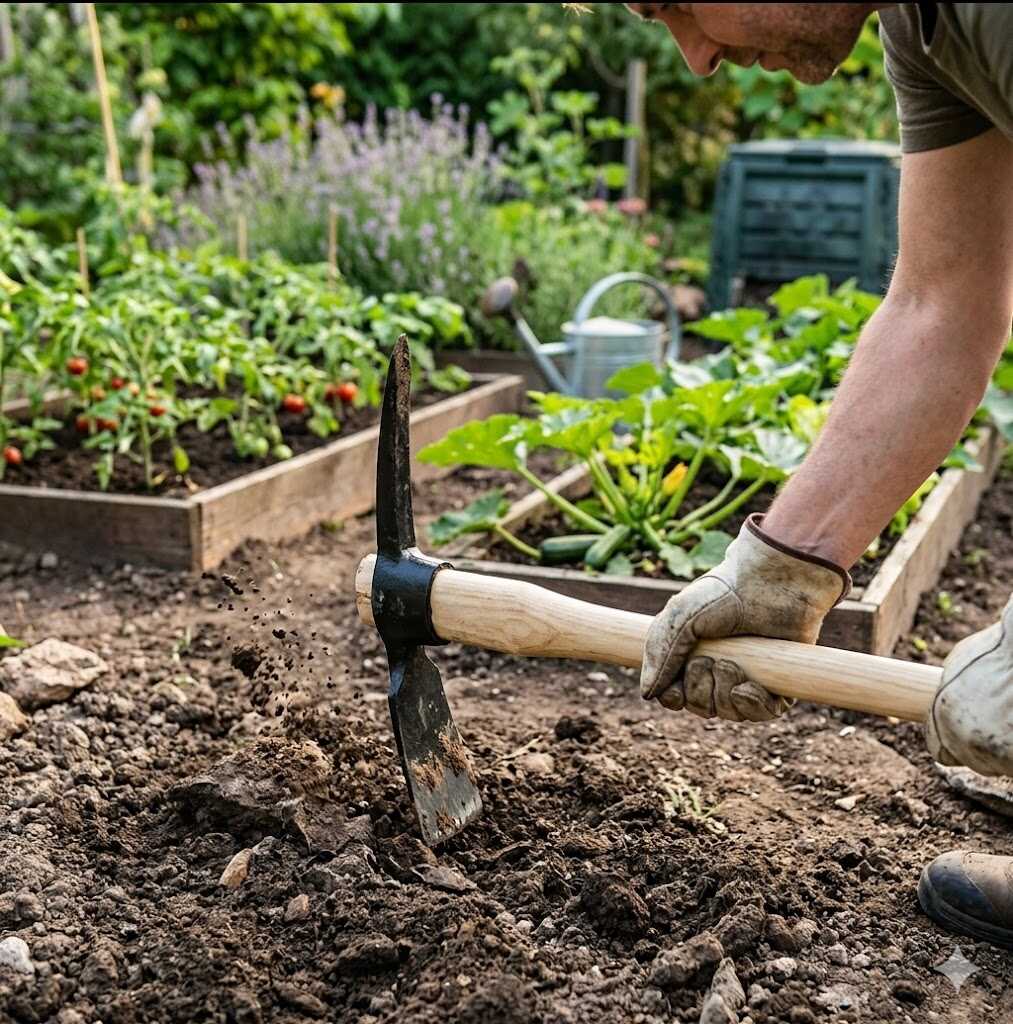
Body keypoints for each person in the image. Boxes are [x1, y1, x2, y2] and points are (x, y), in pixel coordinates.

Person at [625, 3, 1013, 948]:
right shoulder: (922, 29)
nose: (698, 56)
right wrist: (784, 567)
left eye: (674, 2)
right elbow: (939, 300)